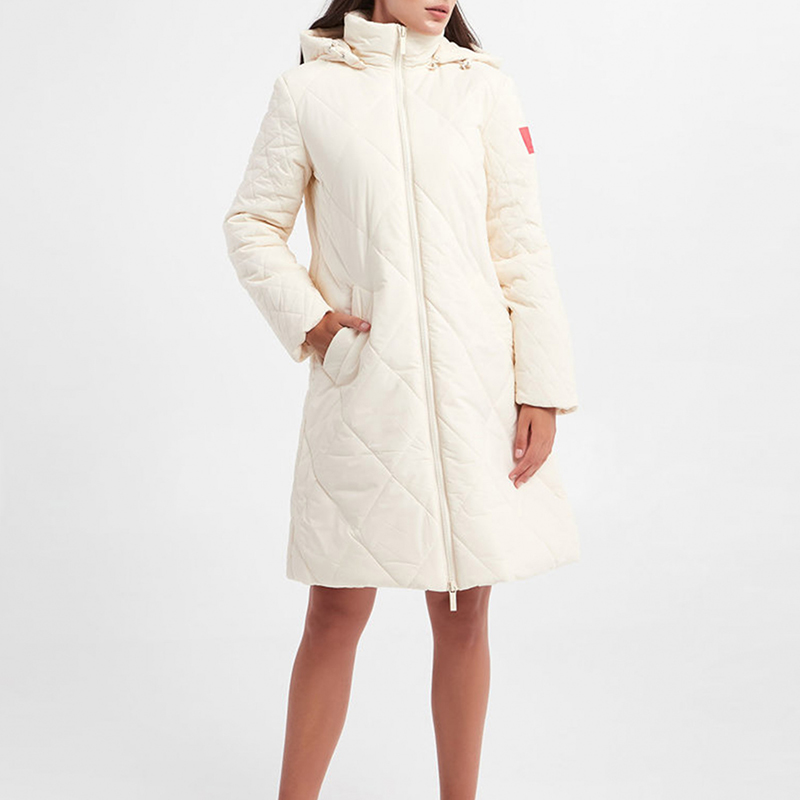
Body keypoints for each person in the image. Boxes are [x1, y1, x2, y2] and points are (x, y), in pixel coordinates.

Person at [222, 1, 580, 797]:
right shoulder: (308, 91)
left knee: (465, 612)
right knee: (334, 613)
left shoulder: (483, 87)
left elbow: (521, 244)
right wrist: (315, 323)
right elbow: (251, 224)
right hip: (366, 391)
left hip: (474, 390)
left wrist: (542, 386)